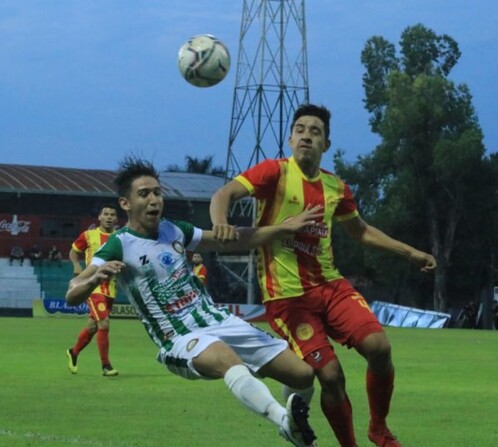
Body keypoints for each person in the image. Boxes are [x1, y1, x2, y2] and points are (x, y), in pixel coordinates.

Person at [210, 103, 437, 447]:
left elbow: (360, 231)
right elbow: (223, 193)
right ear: (290, 139)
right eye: (300, 129)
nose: (306, 136)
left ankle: (379, 428)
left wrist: (410, 252)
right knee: (331, 376)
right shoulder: (274, 173)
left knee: (379, 347)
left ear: (326, 144)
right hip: (288, 299)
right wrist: (221, 222)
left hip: (331, 286)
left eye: (315, 131)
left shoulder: (335, 187)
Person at [66, 157, 324, 446]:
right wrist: (92, 279)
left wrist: (282, 228)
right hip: (179, 337)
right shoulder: (118, 244)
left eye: (157, 192)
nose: (154, 200)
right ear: (125, 204)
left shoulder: (173, 230)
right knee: (227, 358)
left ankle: (298, 427)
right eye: (144, 194)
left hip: (218, 320)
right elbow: (73, 292)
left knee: (303, 375)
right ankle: (283, 421)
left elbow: (235, 239)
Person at [66, 203, 120, 377]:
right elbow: (73, 252)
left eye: (112, 214)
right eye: (106, 214)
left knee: (92, 327)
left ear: (116, 219)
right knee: (104, 324)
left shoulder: (120, 238)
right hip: (93, 286)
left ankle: (73, 352)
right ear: (99, 217)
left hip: (110, 288)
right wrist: (77, 265)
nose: (109, 217)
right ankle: (106, 366)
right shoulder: (89, 235)